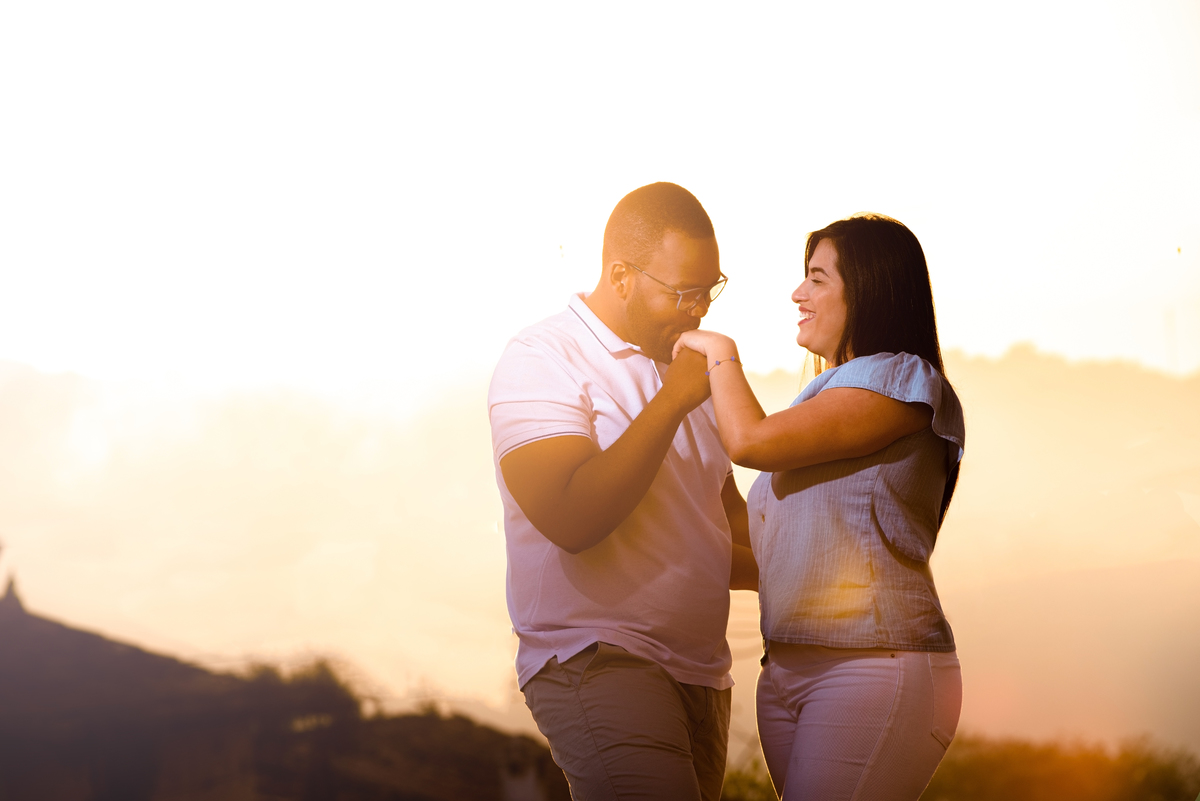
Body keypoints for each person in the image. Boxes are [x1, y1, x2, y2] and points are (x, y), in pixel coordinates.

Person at [674, 213, 965, 801]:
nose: (797, 294)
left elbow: (750, 441)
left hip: (870, 666)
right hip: (787, 674)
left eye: (817, 279)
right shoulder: (825, 403)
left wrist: (717, 351)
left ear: (869, 290)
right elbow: (762, 559)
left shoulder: (898, 379)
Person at [487, 182, 758, 800]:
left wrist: (832, 568)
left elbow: (724, 525)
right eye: (683, 292)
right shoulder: (542, 358)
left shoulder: (688, 366)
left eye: (709, 289)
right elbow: (572, 518)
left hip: (703, 674)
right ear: (621, 275)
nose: (699, 311)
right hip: (596, 659)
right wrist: (673, 400)